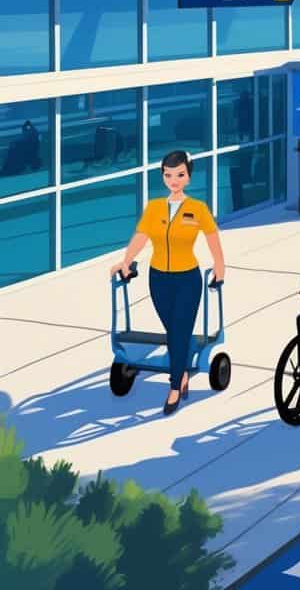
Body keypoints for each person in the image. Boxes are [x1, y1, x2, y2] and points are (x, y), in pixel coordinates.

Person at [110, 150, 225, 416]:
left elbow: (212, 238)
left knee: (179, 330)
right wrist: (126, 261)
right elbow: (141, 236)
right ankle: (181, 369)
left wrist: (219, 266)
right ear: (163, 176)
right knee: (173, 329)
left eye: (180, 175)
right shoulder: (154, 208)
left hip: (187, 279)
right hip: (159, 278)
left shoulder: (198, 209)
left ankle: (175, 386)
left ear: (188, 177)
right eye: (168, 175)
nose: (174, 180)